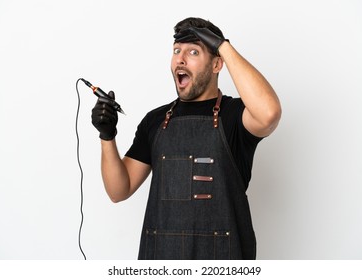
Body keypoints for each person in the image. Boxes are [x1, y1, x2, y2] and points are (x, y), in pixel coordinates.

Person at [91, 17, 281, 260]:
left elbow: (269, 113)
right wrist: (107, 136)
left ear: (216, 65)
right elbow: (119, 190)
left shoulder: (236, 116)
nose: (180, 59)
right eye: (176, 51)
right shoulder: (155, 120)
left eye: (193, 51)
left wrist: (222, 45)